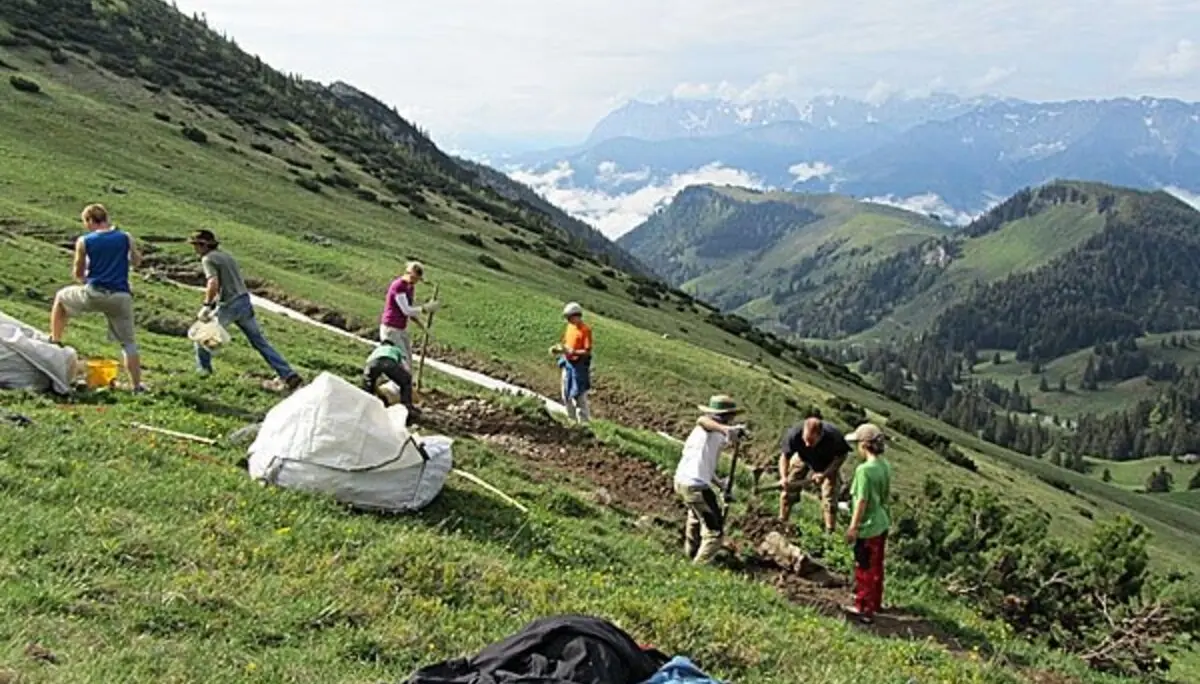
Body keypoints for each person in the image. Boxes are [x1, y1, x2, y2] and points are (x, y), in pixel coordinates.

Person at [189, 229, 302, 393]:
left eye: (195, 245)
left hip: (228, 305)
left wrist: (207, 305)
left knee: (202, 337)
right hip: (244, 301)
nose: (194, 249)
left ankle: (203, 373)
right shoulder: (226, 256)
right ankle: (288, 374)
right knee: (260, 342)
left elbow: (213, 283)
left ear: (203, 245)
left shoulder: (208, 259)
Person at [50, 203, 146, 393]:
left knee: (60, 297)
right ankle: (137, 386)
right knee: (128, 343)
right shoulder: (125, 237)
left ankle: (55, 340)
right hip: (120, 296)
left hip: (95, 293)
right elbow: (136, 261)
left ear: (90, 220)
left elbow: (78, 273)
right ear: (106, 218)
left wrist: (88, 275)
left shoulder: (84, 241)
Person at [673, 394, 747, 565]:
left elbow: (703, 464)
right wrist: (727, 430)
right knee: (715, 533)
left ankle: (690, 553)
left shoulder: (711, 434)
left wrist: (719, 483)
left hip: (683, 481)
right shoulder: (706, 427)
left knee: (695, 517)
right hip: (695, 486)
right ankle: (698, 568)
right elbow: (702, 420)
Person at [844, 423, 892, 624]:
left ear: (864, 445)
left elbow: (861, 501)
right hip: (882, 520)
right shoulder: (884, 465)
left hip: (868, 525)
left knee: (864, 567)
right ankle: (875, 602)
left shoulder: (864, 470)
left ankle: (863, 607)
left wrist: (853, 527)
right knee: (877, 566)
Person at [778, 414, 851, 531]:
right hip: (803, 457)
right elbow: (784, 457)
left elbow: (841, 456)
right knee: (788, 488)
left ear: (820, 435)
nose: (807, 444)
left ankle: (829, 532)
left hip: (827, 463)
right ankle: (781, 522)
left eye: (811, 441)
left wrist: (825, 474)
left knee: (830, 498)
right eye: (805, 440)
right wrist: (783, 477)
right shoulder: (794, 434)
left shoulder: (834, 436)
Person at [379, 261, 440, 364]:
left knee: (408, 360)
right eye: (413, 278)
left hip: (401, 328)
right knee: (403, 360)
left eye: (417, 280)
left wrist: (423, 327)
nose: (414, 282)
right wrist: (424, 309)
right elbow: (406, 310)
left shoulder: (410, 287)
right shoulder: (399, 286)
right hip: (391, 328)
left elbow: (411, 312)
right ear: (408, 273)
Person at [550, 301, 592, 424]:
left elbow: (587, 351)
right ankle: (571, 420)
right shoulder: (570, 327)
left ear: (577, 316)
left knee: (579, 396)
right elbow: (566, 343)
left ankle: (584, 423)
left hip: (579, 367)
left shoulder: (585, 330)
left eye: (569, 317)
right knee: (566, 393)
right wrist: (559, 349)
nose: (568, 320)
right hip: (568, 364)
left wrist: (574, 352)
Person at [362, 339, 421, 419]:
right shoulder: (395, 349)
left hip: (371, 364)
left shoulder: (376, 350)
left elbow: (369, 367)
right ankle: (407, 407)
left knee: (368, 388)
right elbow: (402, 365)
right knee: (406, 381)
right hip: (388, 362)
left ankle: (366, 406)